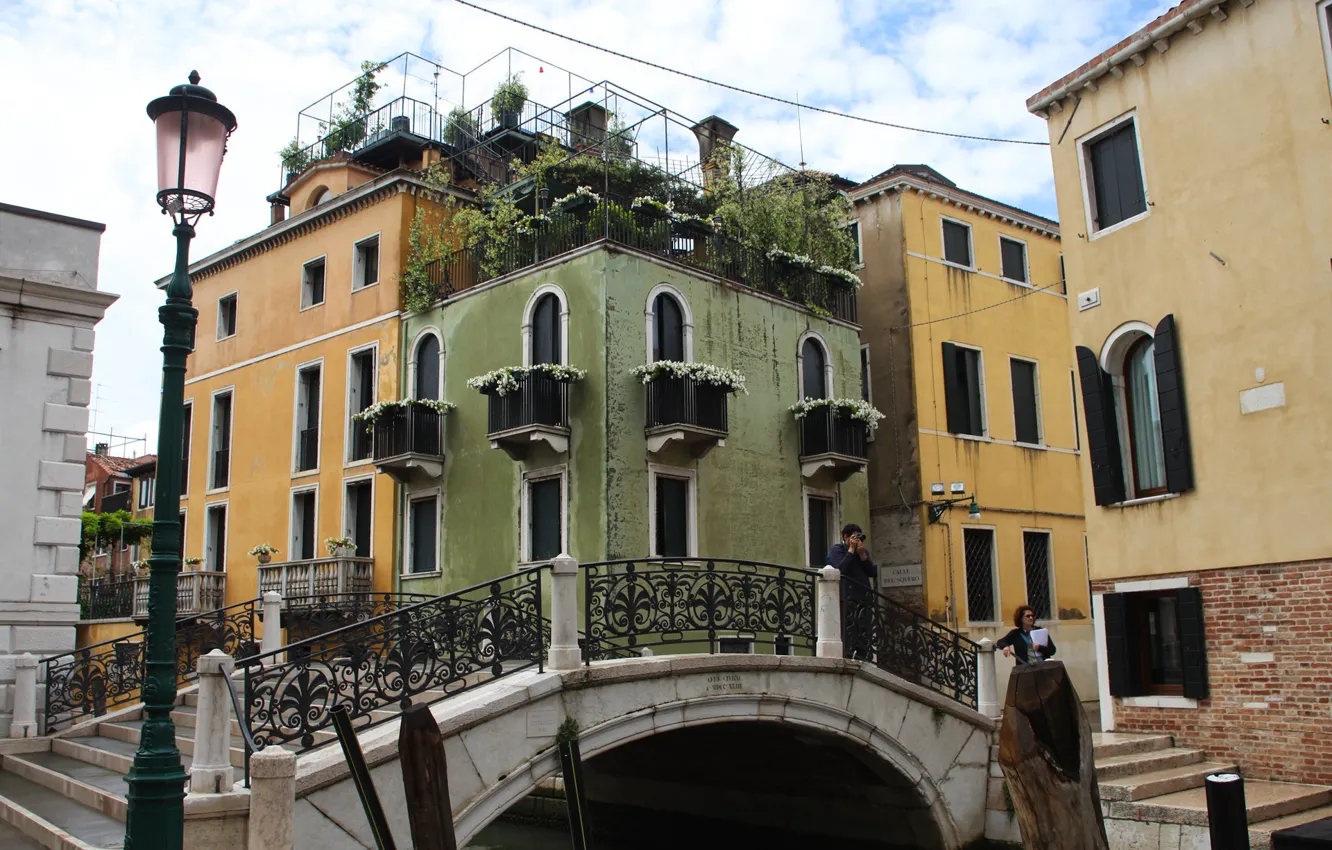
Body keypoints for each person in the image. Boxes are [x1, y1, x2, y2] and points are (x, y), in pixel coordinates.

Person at [827, 523, 877, 660]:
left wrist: (862, 555)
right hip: (847, 597)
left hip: (864, 597)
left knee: (864, 630)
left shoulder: (863, 552)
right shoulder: (838, 550)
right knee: (849, 630)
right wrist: (850, 550)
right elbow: (840, 569)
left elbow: (872, 572)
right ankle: (848, 656)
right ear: (845, 537)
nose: (857, 540)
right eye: (854, 537)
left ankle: (863, 656)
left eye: (859, 537)